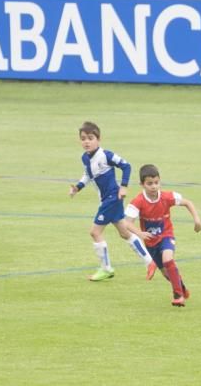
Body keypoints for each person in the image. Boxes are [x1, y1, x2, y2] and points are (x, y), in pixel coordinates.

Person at [69, 121, 157, 282]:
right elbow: (88, 175)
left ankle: (106, 269)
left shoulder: (106, 155)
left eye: (90, 138)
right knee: (124, 233)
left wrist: (123, 186)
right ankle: (150, 262)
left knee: (95, 232)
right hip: (108, 199)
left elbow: (126, 166)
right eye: (83, 138)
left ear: (98, 139)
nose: (86, 141)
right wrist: (78, 187)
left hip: (111, 199)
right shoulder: (85, 158)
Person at [125, 164, 201, 307]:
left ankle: (178, 295)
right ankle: (182, 287)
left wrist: (197, 220)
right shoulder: (138, 201)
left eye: (156, 183)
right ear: (142, 184)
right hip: (150, 243)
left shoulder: (167, 196)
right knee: (166, 273)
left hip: (166, 235)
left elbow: (187, 203)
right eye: (149, 184)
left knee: (168, 259)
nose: (154, 186)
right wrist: (139, 233)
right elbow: (127, 223)